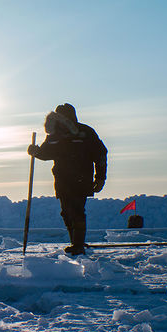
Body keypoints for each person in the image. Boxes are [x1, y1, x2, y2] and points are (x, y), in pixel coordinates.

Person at [28, 103, 108, 255]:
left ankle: (78, 245)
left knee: (77, 210)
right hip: (62, 179)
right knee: (66, 212)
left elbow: (100, 154)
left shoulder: (85, 132)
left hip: (81, 178)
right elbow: (46, 153)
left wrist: (100, 177)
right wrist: (36, 152)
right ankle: (76, 242)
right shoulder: (54, 135)